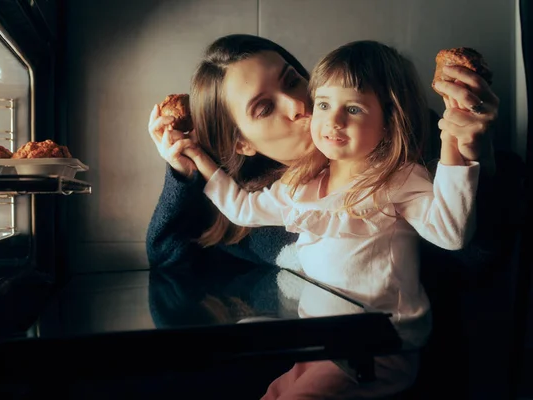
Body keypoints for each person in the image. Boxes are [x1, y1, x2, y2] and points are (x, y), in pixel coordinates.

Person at [146, 34, 501, 398]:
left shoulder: (400, 156)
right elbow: (172, 257)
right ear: (242, 143)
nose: (300, 106)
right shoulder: (289, 192)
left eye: (292, 81)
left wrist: (468, 150)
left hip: (379, 351)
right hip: (315, 346)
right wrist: (186, 166)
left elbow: (469, 250)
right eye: (264, 108)